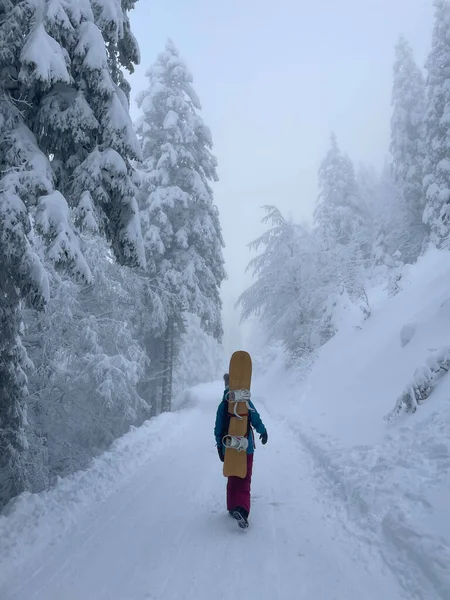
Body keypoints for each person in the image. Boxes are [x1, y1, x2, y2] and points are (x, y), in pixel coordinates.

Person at [214, 372, 268, 528]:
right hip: (246, 447)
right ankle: (242, 510)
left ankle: (232, 507)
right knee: (244, 478)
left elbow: (218, 428)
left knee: (232, 476)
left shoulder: (223, 405)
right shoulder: (245, 402)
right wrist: (263, 432)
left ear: (225, 385)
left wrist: (219, 446)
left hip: (229, 446)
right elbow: (255, 417)